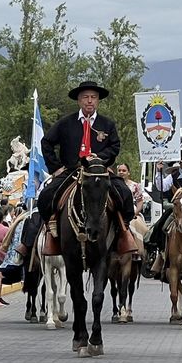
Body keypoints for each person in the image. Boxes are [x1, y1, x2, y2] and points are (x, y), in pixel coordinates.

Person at [36, 81, 134, 253]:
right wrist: (55, 168)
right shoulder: (65, 123)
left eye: (93, 98)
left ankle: (123, 231)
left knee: (124, 193)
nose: (90, 101)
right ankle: (51, 230)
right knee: (46, 195)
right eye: (86, 97)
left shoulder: (107, 124)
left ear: (98, 101)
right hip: (71, 171)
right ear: (79, 101)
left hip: (100, 171)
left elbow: (114, 146)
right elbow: (47, 142)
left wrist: (100, 158)